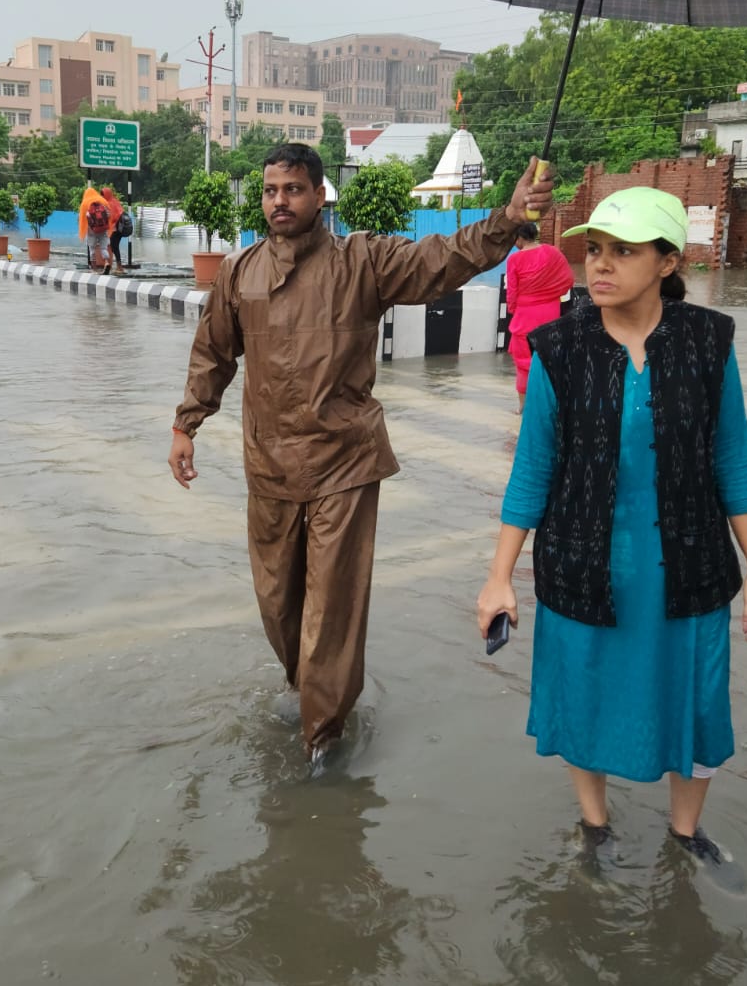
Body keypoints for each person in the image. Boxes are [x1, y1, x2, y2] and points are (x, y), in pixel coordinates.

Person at [169, 142, 554, 768]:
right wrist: (188, 424)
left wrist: (506, 221)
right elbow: (213, 353)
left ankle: (323, 736)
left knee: (333, 604)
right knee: (278, 602)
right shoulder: (241, 273)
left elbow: (441, 258)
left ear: (321, 196)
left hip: (343, 460)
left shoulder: (362, 260)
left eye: (293, 189)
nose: (279, 201)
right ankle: (308, 689)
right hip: (268, 464)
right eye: (270, 190)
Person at [476, 187, 747, 869]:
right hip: (584, 562)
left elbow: (731, 456)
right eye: (596, 251)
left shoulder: (708, 341)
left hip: (690, 559)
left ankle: (686, 833)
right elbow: (533, 471)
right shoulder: (558, 348)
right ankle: (595, 827)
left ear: (667, 262)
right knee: (583, 692)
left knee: (697, 698)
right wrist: (499, 578)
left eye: (624, 252)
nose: (600, 267)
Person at [505, 221, 574, 412]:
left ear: (518, 238)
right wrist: (551, 296)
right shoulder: (553, 252)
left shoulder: (514, 260)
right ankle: (549, 406)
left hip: (525, 314)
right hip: (550, 312)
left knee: (523, 364)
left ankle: (522, 408)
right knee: (549, 360)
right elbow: (568, 279)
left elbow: (512, 292)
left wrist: (514, 309)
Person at [79, 185, 113, 271]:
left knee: (92, 249)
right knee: (104, 248)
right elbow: (109, 215)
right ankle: (106, 262)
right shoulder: (102, 201)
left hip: (92, 230)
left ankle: (94, 268)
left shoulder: (85, 204)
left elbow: (82, 218)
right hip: (103, 229)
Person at [102, 185, 132, 274]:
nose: (102, 197)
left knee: (114, 247)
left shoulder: (109, 203)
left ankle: (119, 267)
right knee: (114, 247)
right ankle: (116, 265)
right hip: (119, 228)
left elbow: (112, 217)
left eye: (103, 195)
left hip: (115, 228)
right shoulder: (115, 201)